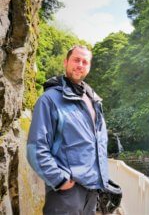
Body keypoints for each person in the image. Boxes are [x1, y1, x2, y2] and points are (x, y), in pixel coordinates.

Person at [27, 45, 109, 215]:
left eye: (85, 62)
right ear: (66, 62)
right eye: (76, 60)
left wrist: (103, 180)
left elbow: (96, 144)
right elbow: (35, 149)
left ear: (89, 67)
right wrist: (59, 180)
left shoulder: (93, 100)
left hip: (92, 191)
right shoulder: (49, 100)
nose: (80, 64)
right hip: (66, 194)